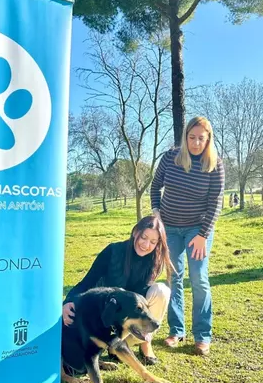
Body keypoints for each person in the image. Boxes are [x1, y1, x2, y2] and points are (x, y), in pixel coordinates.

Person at [150, 116, 225, 356]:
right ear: (185, 137)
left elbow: (216, 202)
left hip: (198, 230)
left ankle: (203, 335)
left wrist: (203, 234)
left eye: (201, 138)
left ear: (208, 139)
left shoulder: (215, 165)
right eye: (191, 137)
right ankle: (176, 330)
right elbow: (155, 186)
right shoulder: (171, 158)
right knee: (173, 277)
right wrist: (156, 214)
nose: (195, 143)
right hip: (169, 228)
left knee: (199, 278)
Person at [62, 215, 172, 364]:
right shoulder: (113, 251)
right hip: (105, 316)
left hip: (128, 323)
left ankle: (144, 343)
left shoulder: (154, 260)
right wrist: (68, 301)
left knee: (161, 290)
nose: (146, 245)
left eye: (153, 242)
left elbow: (141, 297)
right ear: (135, 232)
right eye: (143, 237)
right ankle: (113, 346)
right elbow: (87, 282)